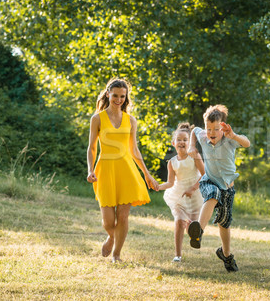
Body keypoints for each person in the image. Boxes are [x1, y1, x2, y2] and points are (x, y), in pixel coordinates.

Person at [86, 77, 159, 263]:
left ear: (126, 98)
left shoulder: (131, 120)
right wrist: (90, 169)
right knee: (108, 222)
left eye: (122, 96)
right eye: (115, 95)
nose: (119, 99)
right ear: (108, 94)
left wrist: (147, 175)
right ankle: (111, 237)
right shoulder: (97, 119)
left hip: (127, 170)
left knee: (123, 217)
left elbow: (134, 150)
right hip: (105, 170)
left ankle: (116, 255)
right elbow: (92, 148)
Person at [186, 105, 250, 272]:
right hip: (209, 181)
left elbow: (247, 143)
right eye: (209, 129)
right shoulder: (202, 135)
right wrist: (191, 146)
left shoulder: (229, 140)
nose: (211, 132)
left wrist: (233, 135)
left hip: (227, 189)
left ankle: (226, 255)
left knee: (224, 223)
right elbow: (194, 131)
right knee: (212, 195)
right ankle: (198, 232)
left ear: (223, 127)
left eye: (216, 129)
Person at [157, 122, 205, 263]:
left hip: (195, 195)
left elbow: (204, 175)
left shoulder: (194, 155)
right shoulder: (171, 162)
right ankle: (178, 255)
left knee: (193, 227)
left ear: (189, 142)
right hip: (178, 194)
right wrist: (158, 186)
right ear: (173, 143)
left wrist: (192, 188)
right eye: (179, 139)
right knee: (179, 222)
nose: (182, 142)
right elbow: (170, 182)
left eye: (185, 140)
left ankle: (194, 236)